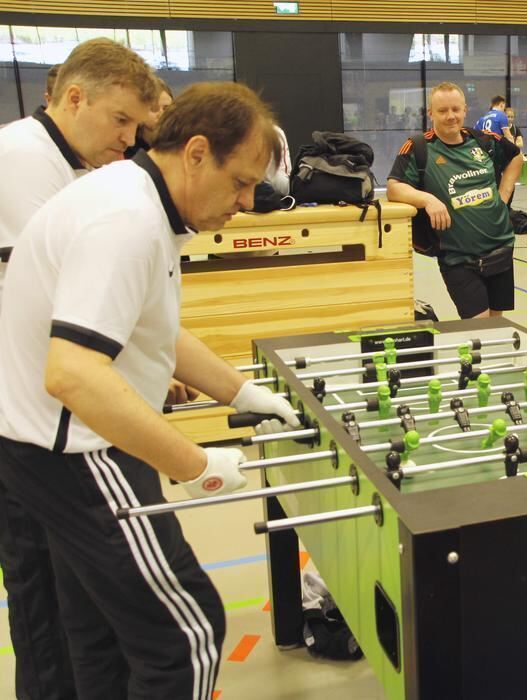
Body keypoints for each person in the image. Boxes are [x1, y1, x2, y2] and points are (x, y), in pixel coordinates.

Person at [0, 81, 299, 700]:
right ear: (196, 153)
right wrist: (195, 465)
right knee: (186, 635)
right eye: (240, 183)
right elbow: (73, 373)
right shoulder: (127, 221)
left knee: (98, 633)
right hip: (78, 452)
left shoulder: (133, 197)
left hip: (40, 445)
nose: (247, 203)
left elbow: (151, 329)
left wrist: (242, 393)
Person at [0, 38, 160, 700]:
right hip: (21, 413)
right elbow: (52, 297)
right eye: (120, 120)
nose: (128, 138)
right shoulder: (22, 158)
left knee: (74, 593)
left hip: (42, 403)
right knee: (38, 588)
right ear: (74, 98)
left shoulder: (71, 163)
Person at [387, 82, 523, 320]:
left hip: (500, 248)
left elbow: (516, 157)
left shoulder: (483, 141)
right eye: (442, 111)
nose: (450, 116)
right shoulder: (419, 147)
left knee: (496, 324)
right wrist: (428, 199)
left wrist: (503, 195)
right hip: (458, 258)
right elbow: (394, 187)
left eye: (456, 109)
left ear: (465, 110)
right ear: (431, 113)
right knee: (479, 323)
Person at [124, 76, 174, 159]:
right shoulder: (126, 146)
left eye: (166, 108)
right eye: (153, 108)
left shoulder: (179, 146)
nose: (161, 114)